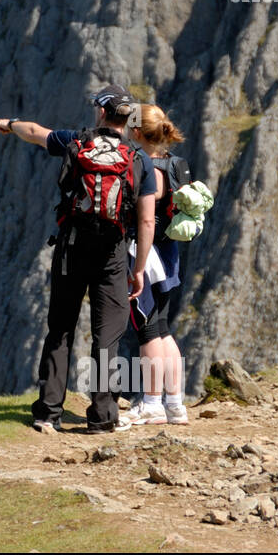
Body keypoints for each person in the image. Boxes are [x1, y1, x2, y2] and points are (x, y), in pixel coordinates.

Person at [0, 84, 156, 434]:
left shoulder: (76, 142)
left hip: (71, 246)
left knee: (61, 327)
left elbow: (36, 133)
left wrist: (10, 123)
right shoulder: (139, 158)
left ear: (101, 111)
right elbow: (146, 219)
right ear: (128, 119)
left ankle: (48, 412)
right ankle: (101, 417)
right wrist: (139, 268)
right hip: (112, 253)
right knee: (107, 336)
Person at [118, 104, 189, 426]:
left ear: (135, 132)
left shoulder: (144, 166)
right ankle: (175, 404)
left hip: (145, 255)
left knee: (146, 330)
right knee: (162, 329)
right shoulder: (174, 162)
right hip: (169, 253)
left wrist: (137, 268)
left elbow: (146, 218)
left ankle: (151, 403)